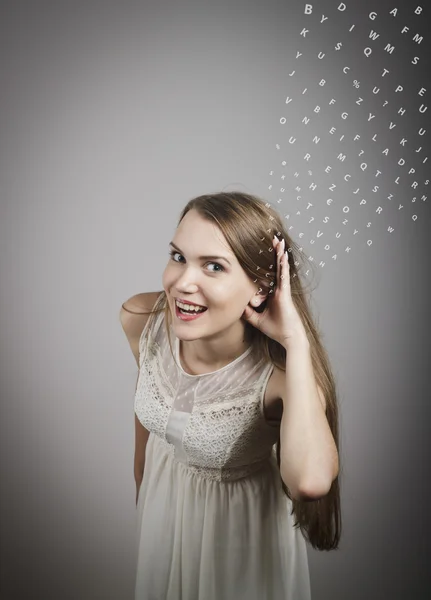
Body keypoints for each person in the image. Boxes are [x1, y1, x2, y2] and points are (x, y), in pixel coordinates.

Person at [120, 192, 341, 600]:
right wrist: (143, 493)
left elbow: (310, 481)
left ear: (259, 288)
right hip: (164, 512)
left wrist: (296, 342)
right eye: (178, 256)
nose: (183, 282)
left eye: (214, 266)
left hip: (238, 539)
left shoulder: (280, 379)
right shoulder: (141, 321)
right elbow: (147, 420)